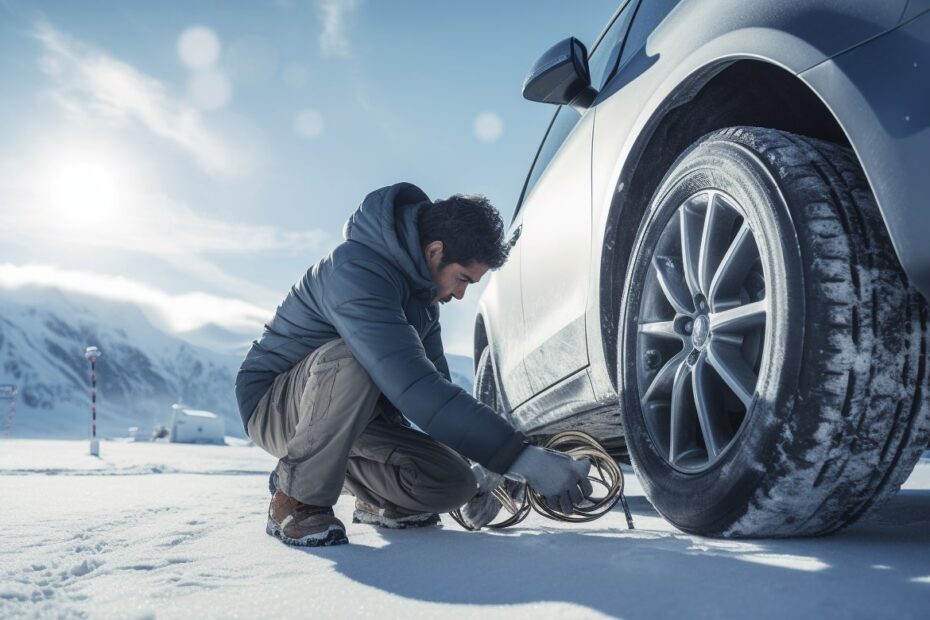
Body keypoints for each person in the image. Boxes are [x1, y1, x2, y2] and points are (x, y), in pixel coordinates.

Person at [236, 182, 592, 547]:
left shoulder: (423, 304)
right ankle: (296, 498)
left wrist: (485, 468)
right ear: (435, 251)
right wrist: (520, 456)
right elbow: (414, 388)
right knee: (352, 360)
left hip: (352, 420)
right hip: (275, 406)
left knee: (452, 482)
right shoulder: (356, 270)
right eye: (463, 279)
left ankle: (377, 501)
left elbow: (440, 390)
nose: (461, 294)